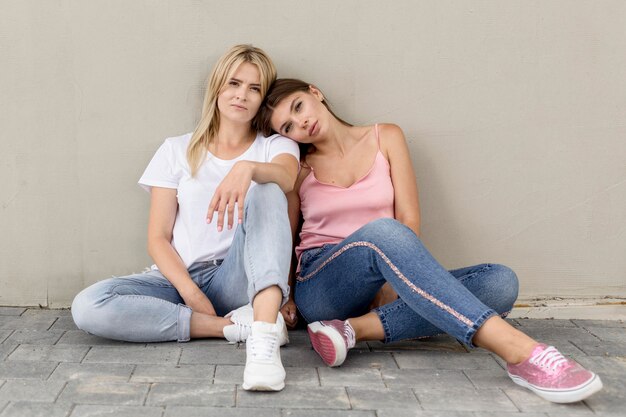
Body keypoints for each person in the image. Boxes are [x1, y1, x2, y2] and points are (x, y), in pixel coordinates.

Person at [257, 78, 603, 403]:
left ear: (315, 93)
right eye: (287, 127)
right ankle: (521, 352)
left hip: (387, 265)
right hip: (323, 282)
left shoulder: (385, 136)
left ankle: (351, 331)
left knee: (500, 283)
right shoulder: (299, 170)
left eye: (298, 107)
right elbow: (285, 238)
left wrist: (392, 283)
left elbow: (409, 218)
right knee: (384, 231)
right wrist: (284, 295)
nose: (300, 124)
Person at [71, 45, 300, 391]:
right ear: (217, 87)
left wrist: (248, 168)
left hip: (238, 275)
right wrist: (191, 293)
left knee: (268, 190)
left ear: (262, 98)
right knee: (88, 306)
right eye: (234, 84)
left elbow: (286, 177)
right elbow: (158, 238)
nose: (242, 95)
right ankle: (233, 328)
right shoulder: (177, 149)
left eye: (254, 89)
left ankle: (263, 343)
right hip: (179, 278)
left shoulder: (275, 146)